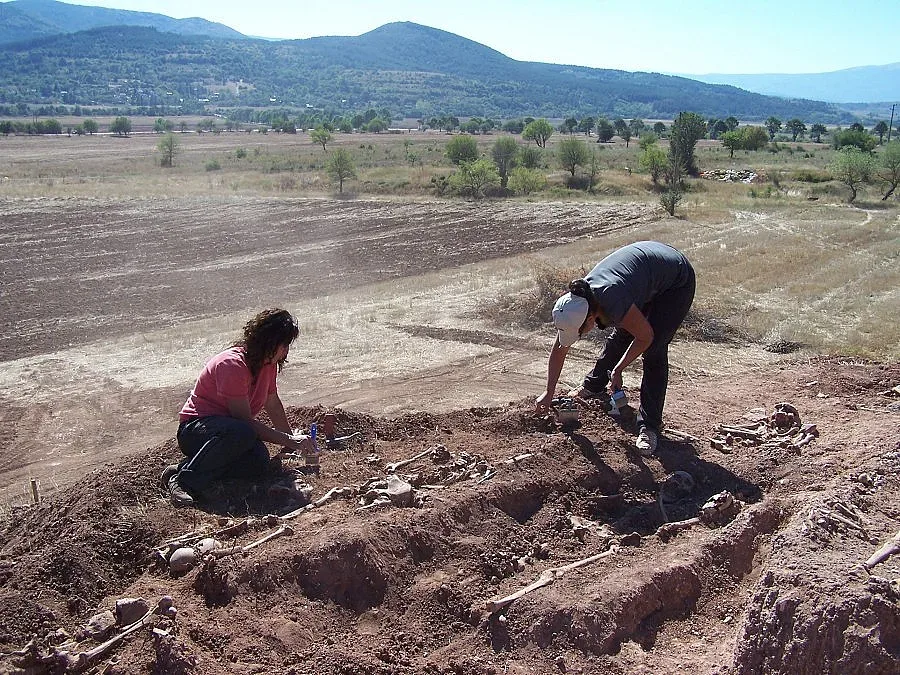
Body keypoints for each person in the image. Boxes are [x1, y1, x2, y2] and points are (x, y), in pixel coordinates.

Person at [535, 241, 695, 456]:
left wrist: (619, 370)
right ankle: (594, 385)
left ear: (590, 318)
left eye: (581, 332)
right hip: (645, 274)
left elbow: (644, 337)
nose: (579, 336)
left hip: (675, 280)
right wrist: (549, 391)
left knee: (654, 350)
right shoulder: (576, 304)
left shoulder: (610, 297)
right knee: (623, 330)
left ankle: (649, 426)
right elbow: (560, 348)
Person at [162, 308, 315, 507]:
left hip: (228, 433)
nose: (286, 351)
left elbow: (273, 404)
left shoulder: (267, 364)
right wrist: (290, 440)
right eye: (284, 344)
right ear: (269, 341)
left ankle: (186, 467)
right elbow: (244, 422)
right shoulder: (232, 364)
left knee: (258, 461)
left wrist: (289, 443)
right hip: (196, 431)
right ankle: (184, 482)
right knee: (242, 432)